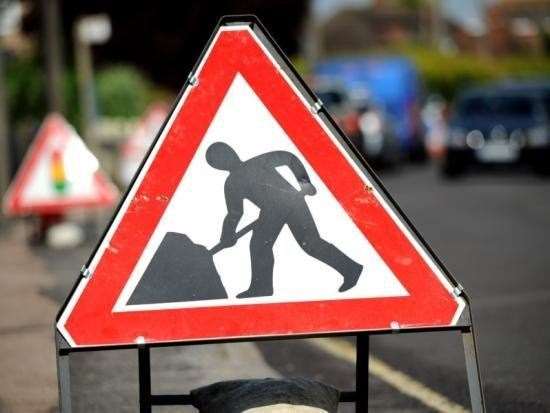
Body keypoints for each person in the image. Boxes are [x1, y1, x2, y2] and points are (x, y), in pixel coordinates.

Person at [206, 142, 363, 298]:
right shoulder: (233, 183)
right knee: (266, 245)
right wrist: (227, 235)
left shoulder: (257, 164)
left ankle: (262, 287)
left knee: (303, 243)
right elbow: (235, 213)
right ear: (217, 166)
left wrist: (305, 183)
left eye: (223, 156)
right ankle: (351, 269)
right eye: (218, 160)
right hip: (275, 209)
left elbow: (290, 158)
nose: (224, 160)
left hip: (290, 201)